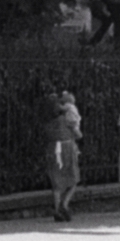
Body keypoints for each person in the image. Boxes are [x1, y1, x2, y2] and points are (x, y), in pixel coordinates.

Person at [44, 91, 83, 221]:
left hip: (52, 150)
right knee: (73, 178)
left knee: (56, 182)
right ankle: (64, 204)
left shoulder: (48, 124)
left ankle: (56, 210)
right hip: (67, 149)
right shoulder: (65, 120)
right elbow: (78, 135)